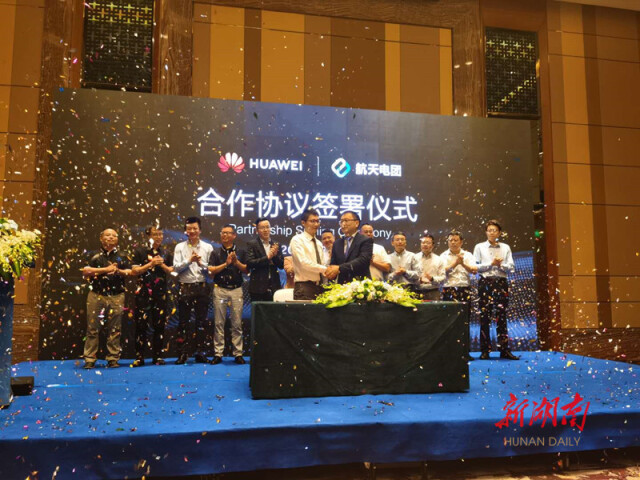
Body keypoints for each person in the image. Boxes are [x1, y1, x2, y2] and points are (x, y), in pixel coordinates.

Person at [82, 228, 131, 369]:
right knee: (92, 328)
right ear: (101, 238)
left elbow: (130, 272)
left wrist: (118, 271)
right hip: (96, 295)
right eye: (107, 235)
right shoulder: (93, 255)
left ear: (117, 239)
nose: (110, 237)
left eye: (113, 235)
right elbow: (86, 271)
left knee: (115, 329)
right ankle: (90, 358)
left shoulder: (123, 255)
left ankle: (113, 358)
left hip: (117, 296)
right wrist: (106, 270)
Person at [473, 220, 518, 360]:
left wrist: (501, 265)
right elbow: (475, 267)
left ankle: (504, 350)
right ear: (486, 232)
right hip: (485, 282)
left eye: (495, 230)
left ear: (499, 233)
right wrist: (491, 264)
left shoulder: (505, 247)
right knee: (484, 317)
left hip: (501, 282)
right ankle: (485, 350)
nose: (492, 233)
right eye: (489, 230)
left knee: (502, 316)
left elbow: (511, 267)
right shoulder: (479, 247)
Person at [173, 216, 214, 365]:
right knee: (183, 322)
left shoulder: (208, 247)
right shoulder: (179, 247)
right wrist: (189, 261)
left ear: (200, 230)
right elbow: (175, 268)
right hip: (185, 285)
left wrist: (201, 263)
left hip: (202, 286)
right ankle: (182, 353)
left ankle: (200, 353)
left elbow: (211, 269)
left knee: (201, 322)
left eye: (195, 228)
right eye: (189, 228)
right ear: (185, 231)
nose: (192, 231)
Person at [131, 226, 173, 367]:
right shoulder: (140, 251)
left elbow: (171, 271)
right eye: (155, 234)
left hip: (160, 294)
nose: (158, 237)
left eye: (160, 234)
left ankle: (158, 356)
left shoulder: (165, 253)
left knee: (159, 325)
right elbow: (135, 271)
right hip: (142, 294)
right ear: (148, 236)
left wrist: (162, 265)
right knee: (141, 325)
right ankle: (139, 357)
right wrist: (151, 264)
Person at [208, 225, 248, 365]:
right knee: (219, 323)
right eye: (222, 233)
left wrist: (236, 262)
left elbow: (247, 270)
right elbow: (211, 271)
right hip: (220, 290)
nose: (224, 235)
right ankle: (218, 353)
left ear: (234, 235)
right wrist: (226, 264)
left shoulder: (241, 252)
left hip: (236, 289)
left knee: (237, 323)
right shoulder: (216, 252)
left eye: (227, 233)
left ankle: (238, 353)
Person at [441, 230, 477, 361]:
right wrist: (455, 263)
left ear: (461, 242)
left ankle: (465, 351)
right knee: (449, 322)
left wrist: (462, 263)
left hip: (464, 289)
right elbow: (441, 272)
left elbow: (474, 270)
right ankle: (450, 352)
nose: (453, 242)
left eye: (456, 240)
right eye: (450, 240)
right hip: (449, 289)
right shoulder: (443, 255)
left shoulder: (467, 254)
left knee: (465, 321)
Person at [290, 208, 328, 300]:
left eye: (317, 221)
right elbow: (303, 263)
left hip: (319, 287)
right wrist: (325, 269)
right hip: (304, 288)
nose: (316, 224)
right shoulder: (297, 240)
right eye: (312, 221)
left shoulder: (319, 243)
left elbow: (322, 264)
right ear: (303, 223)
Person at [329, 211, 373, 284]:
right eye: (341, 221)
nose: (343, 224)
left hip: (361, 285)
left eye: (346, 221)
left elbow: (363, 260)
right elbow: (333, 264)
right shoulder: (337, 243)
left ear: (356, 223)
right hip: (342, 286)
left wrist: (340, 268)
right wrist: (330, 272)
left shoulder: (365, 240)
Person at [246, 218, 284, 302]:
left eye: (267, 227)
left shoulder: (276, 244)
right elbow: (250, 263)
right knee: (258, 310)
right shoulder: (252, 244)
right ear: (257, 230)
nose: (266, 230)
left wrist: (275, 256)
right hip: (257, 287)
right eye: (262, 228)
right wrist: (267, 258)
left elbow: (281, 265)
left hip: (274, 285)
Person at [415, 233, 445, 301]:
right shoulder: (414, 258)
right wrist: (419, 279)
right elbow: (410, 276)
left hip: (433, 291)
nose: (425, 245)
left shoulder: (439, 259)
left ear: (433, 245)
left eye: (428, 243)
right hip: (417, 291)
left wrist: (432, 279)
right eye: (423, 242)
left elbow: (443, 277)